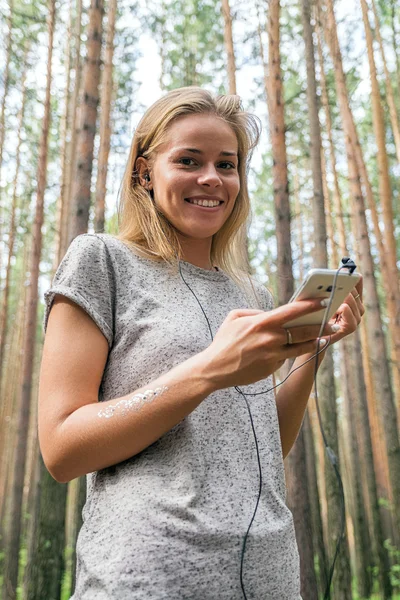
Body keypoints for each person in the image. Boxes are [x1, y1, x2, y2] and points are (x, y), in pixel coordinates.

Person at [39, 87, 364, 599]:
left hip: (270, 578)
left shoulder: (250, 293)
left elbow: (260, 448)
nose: (212, 178)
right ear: (145, 172)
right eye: (189, 160)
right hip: (145, 580)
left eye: (227, 164)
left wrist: (310, 350)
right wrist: (210, 368)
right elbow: (61, 449)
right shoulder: (101, 261)